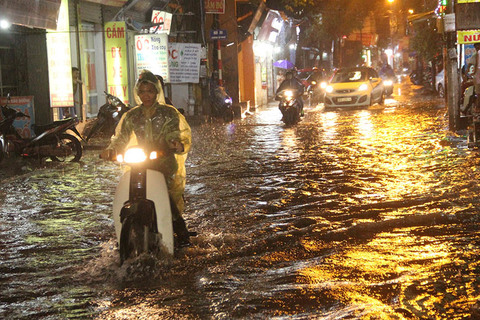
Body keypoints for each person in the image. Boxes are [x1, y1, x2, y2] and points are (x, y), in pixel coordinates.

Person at [101, 69, 193, 246]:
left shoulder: (169, 113)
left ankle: (181, 233)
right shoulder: (131, 116)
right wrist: (111, 150)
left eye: (150, 91)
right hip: (141, 162)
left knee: (167, 200)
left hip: (164, 163)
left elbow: (175, 132)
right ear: (137, 93)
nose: (146, 95)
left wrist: (173, 143)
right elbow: (121, 137)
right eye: (142, 91)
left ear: (156, 92)